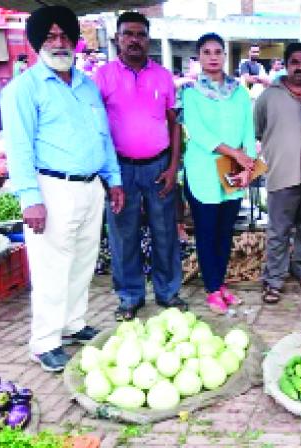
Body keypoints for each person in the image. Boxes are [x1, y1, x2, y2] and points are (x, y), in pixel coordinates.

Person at [0, 6, 124, 371]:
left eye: (64, 36)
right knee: (51, 266)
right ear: (38, 42)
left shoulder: (87, 85)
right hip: (51, 189)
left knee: (83, 260)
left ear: (74, 40)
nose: (58, 43)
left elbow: (103, 137)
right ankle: (44, 341)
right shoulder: (23, 89)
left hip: (90, 187)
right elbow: (19, 147)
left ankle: (73, 323)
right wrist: (30, 198)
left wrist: (113, 179)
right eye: (50, 37)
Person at [94, 11, 186, 321]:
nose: (135, 40)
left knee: (165, 232)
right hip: (120, 170)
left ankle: (168, 292)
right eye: (128, 34)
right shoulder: (103, 76)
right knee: (123, 234)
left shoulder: (162, 75)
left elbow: (175, 125)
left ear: (149, 39)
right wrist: (108, 175)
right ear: (117, 38)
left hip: (158, 167)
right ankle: (130, 297)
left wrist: (174, 167)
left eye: (141, 34)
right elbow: (97, 129)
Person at [181, 33, 257, 314]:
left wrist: (247, 164)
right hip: (203, 171)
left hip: (233, 173)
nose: (213, 57)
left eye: (217, 52)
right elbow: (199, 133)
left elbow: (249, 130)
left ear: (225, 56)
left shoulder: (239, 92)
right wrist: (234, 153)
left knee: (226, 232)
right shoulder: (190, 93)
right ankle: (212, 290)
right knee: (207, 232)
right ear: (198, 57)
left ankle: (220, 283)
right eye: (206, 52)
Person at [256, 43, 301, 303]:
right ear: (286, 64)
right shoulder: (268, 97)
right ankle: (274, 279)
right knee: (278, 232)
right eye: (295, 62)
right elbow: (257, 130)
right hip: (281, 173)